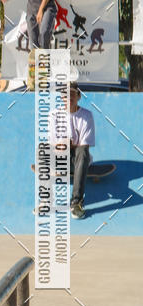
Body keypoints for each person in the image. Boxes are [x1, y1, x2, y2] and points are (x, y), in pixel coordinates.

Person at [68, 84, 95, 219]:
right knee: (42, 150)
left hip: (80, 160)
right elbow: (54, 143)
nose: (69, 97)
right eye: (65, 94)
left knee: (82, 150)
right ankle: (45, 200)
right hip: (62, 159)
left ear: (78, 96)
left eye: (72, 94)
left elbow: (84, 145)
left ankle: (76, 202)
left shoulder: (86, 116)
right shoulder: (54, 115)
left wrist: (69, 144)